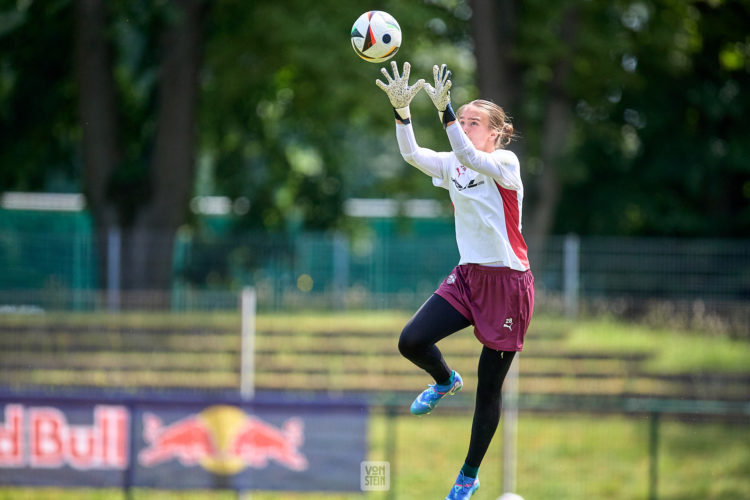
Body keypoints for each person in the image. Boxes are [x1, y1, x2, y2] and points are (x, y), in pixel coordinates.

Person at [376, 61, 535, 500]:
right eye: (460, 119)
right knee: (410, 341)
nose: (464, 126)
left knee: (490, 387)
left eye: (473, 122)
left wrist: (444, 109)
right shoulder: (453, 164)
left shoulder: (504, 162)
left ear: (496, 133)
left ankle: (468, 475)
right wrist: (402, 113)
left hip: (508, 286)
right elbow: (412, 155)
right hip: (468, 277)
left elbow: (467, 155)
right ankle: (445, 380)